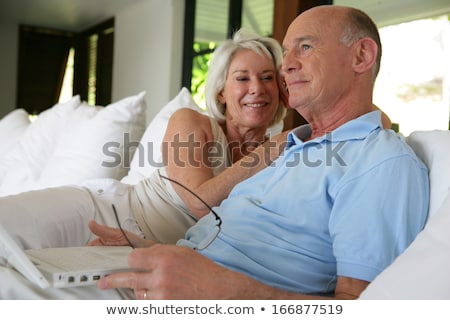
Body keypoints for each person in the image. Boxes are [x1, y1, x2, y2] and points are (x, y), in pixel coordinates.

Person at [0, 5, 416, 300]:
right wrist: (150, 249)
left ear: (362, 55)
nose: (286, 67)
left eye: (303, 48)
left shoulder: (376, 159)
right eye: (285, 52)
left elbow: (362, 306)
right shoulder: (288, 146)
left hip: (183, 285)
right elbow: (207, 221)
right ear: (221, 90)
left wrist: (221, 289)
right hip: (131, 229)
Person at [0, 29, 287, 250]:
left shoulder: (283, 157)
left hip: (147, 248)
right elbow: (199, 202)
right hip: (103, 212)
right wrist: (271, 148)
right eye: (242, 78)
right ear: (221, 91)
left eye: (266, 78)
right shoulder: (192, 122)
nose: (256, 89)